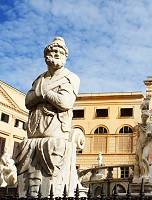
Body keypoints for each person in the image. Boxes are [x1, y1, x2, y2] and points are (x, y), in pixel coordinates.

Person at [14, 37, 80, 197]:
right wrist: (49, 95)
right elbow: (28, 101)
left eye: (59, 52)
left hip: (55, 131)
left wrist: (42, 93)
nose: (55, 54)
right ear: (46, 56)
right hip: (35, 131)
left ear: (65, 57)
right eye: (52, 51)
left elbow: (64, 102)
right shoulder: (39, 79)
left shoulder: (70, 77)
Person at [134, 112, 152, 180]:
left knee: (143, 157)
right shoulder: (139, 126)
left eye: (146, 117)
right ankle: (142, 174)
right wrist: (136, 147)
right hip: (139, 142)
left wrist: (150, 134)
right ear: (141, 117)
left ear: (147, 118)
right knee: (140, 159)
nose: (144, 118)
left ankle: (147, 172)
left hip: (147, 143)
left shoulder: (150, 126)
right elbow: (138, 136)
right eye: (143, 117)